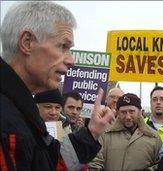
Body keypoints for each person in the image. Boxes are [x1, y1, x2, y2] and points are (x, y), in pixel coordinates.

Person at [0, 2, 114, 170]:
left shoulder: (21, 112)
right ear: (27, 42)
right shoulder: (6, 124)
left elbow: (50, 162)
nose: (71, 60)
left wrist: (92, 132)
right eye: (63, 46)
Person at [89, 93, 162, 170]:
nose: (127, 117)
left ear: (140, 112)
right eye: (123, 112)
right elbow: (95, 163)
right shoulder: (105, 135)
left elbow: (160, 165)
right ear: (117, 112)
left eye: (131, 111)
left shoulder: (153, 137)